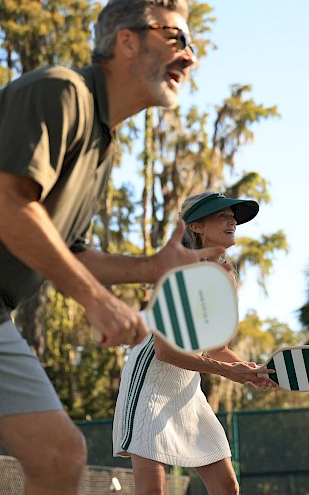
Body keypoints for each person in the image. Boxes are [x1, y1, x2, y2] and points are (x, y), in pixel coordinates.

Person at [0, 0, 225, 494]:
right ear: (127, 41)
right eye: (176, 39)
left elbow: (72, 252)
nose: (189, 56)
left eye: (191, 45)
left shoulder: (104, 145)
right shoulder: (61, 91)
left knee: (59, 457)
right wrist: (97, 301)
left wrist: (152, 267)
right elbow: (7, 207)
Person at [112, 191, 278, 495]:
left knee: (227, 488)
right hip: (151, 380)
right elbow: (164, 350)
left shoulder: (226, 277)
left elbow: (217, 349)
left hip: (187, 385)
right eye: (222, 216)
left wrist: (250, 372)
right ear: (197, 227)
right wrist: (229, 373)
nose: (232, 222)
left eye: (233, 217)